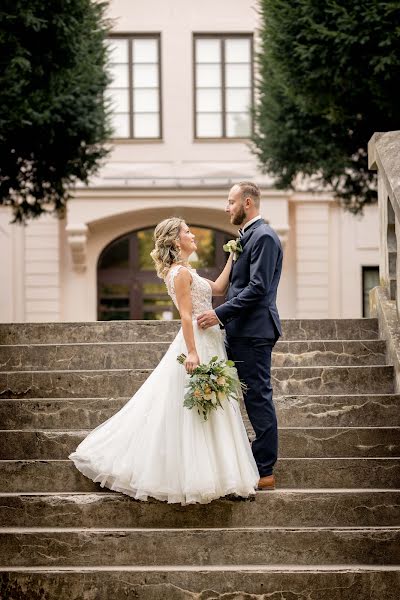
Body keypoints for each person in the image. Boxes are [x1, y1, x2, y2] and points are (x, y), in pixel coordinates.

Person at [68, 216, 259, 505]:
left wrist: (232, 254)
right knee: (197, 406)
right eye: (187, 232)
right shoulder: (179, 274)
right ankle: (198, 476)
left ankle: (220, 475)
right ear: (174, 240)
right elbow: (185, 315)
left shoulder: (187, 271)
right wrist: (193, 352)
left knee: (214, 404)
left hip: (211, 339)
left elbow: (219, 288)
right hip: (198, 341)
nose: (193, 235)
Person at [197, 181, 283, 490]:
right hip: (238, 331)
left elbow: (258, 288)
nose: (226, 207)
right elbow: (229, 285)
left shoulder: (265, 237)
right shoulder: (246, 238)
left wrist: (219, 314)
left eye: (231, 201)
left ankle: (264, 469)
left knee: (257, 397)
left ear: (247, 203)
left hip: (254, 332)